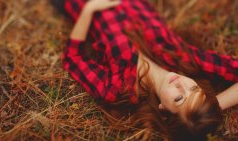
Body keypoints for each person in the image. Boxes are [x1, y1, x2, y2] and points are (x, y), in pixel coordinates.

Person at [51, 0, 238, 140]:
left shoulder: (118, 88)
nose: (182, 85)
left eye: (179, 99)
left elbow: (73, 58)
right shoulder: (185, 59)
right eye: (194, 90)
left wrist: (89, 10)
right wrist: (212, 106)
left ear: (163, 110)